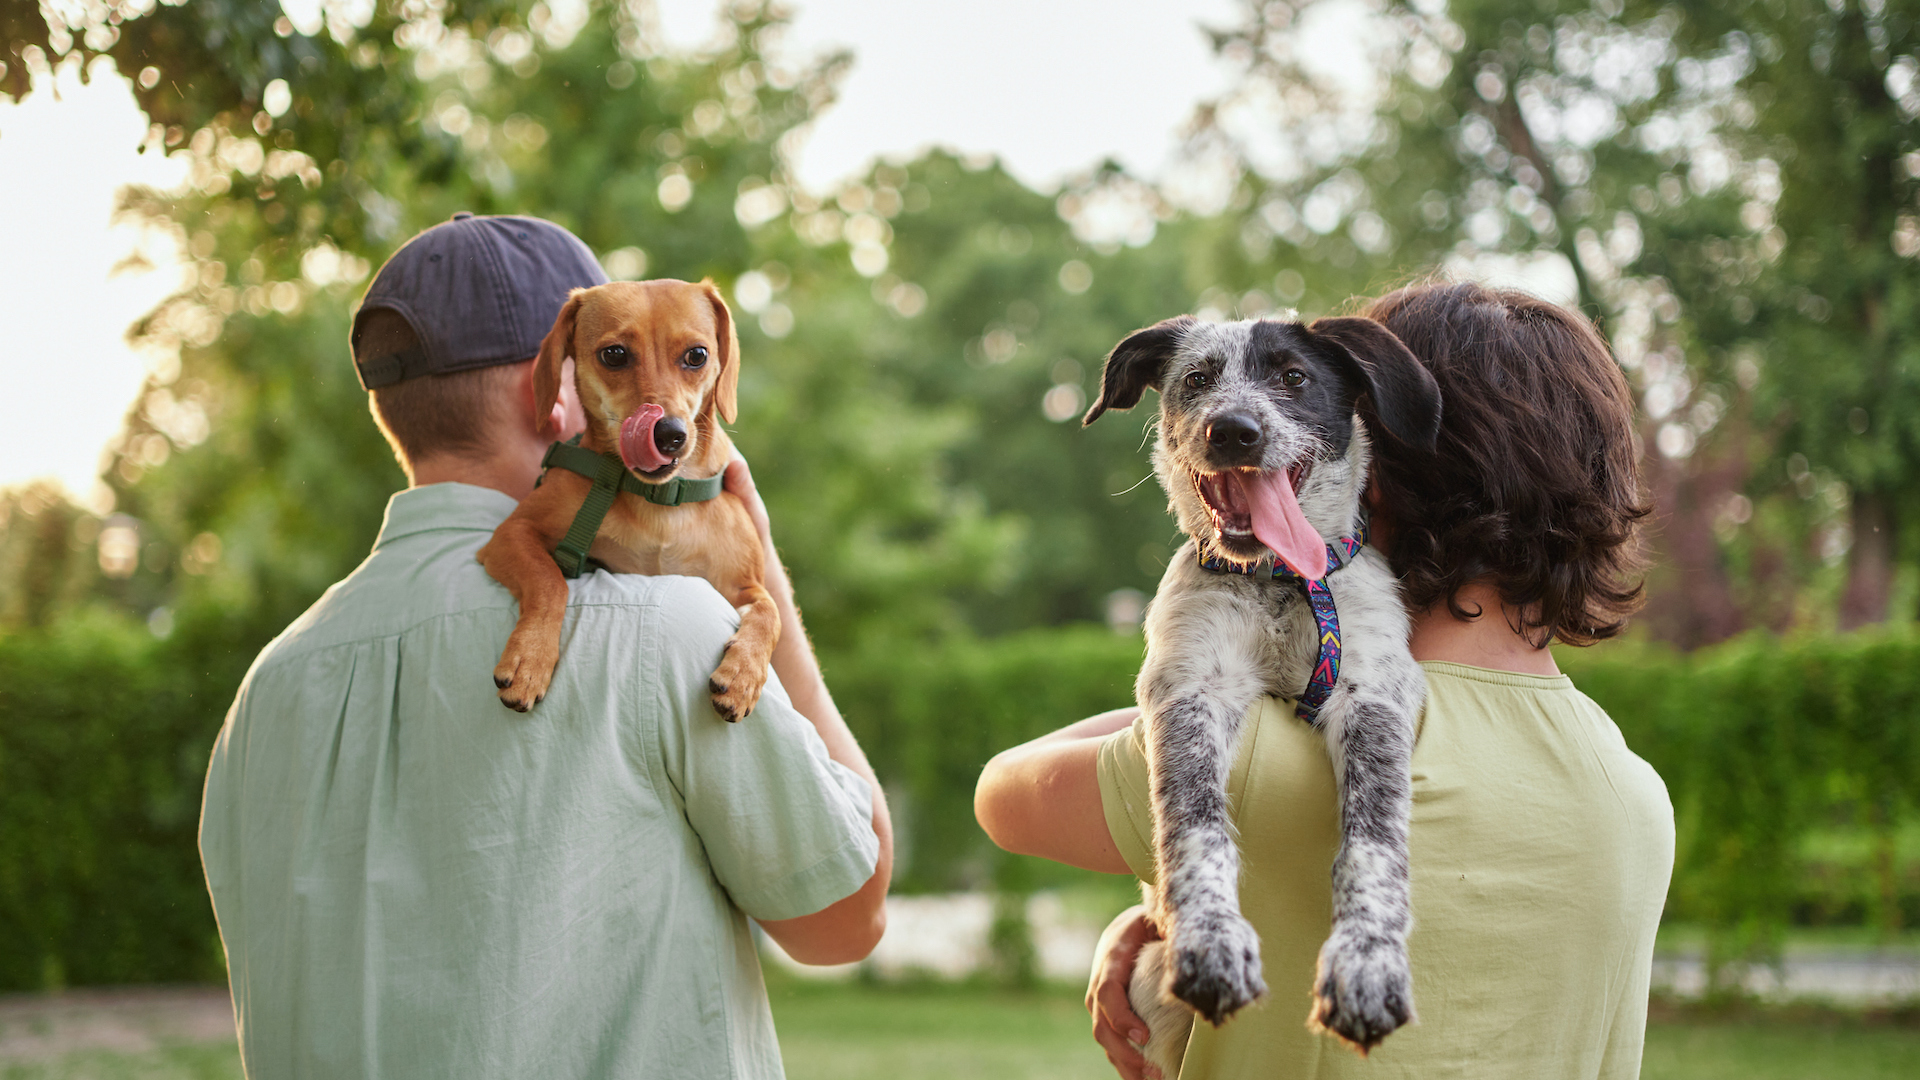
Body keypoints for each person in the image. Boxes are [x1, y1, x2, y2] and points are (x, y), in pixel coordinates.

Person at [199, 213, 892, 1079]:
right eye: (618, 355)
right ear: (558, 390)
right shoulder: (670, 632)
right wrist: (770, 595)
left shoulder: (267, 690)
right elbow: (845, 916)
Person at [974, 280, 1674, 1080]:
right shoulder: (1635, 796)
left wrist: (1156, 898)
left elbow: (1004, 795)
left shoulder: (1257, 766)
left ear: (1373, 464)